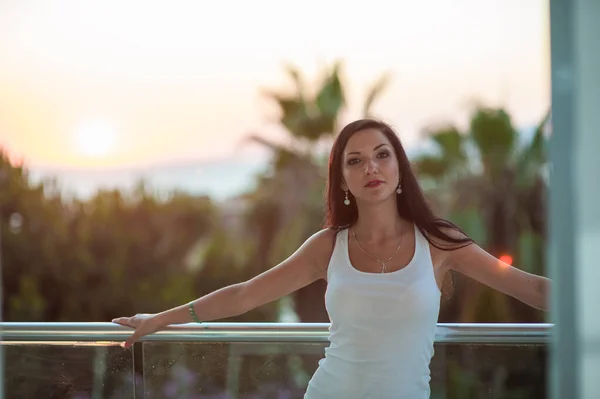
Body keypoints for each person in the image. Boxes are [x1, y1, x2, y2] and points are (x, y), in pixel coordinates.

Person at [112, 119, 550, 398]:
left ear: (399, 168)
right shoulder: (328, 245)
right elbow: (245, 295)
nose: (371, 168)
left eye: (382, 156)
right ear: (343, 180)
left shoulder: (439, 242)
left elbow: (530, 287)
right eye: (355, 161)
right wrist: (160, 319)